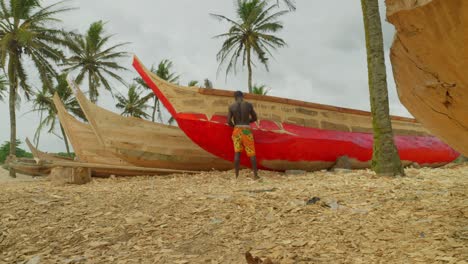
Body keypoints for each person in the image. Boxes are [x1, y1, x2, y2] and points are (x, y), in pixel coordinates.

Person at [227, 91, 259, 179]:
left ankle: (237, 176)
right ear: (242, 96)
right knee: (251, 153)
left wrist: (235, 126)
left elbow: (228, 121)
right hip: (246, 130)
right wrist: (247, 122)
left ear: (235, 97)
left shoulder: (231, 106)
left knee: (237, 152)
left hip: (237, 130)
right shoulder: (248, 105)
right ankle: (255, 175)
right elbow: (255, 118)